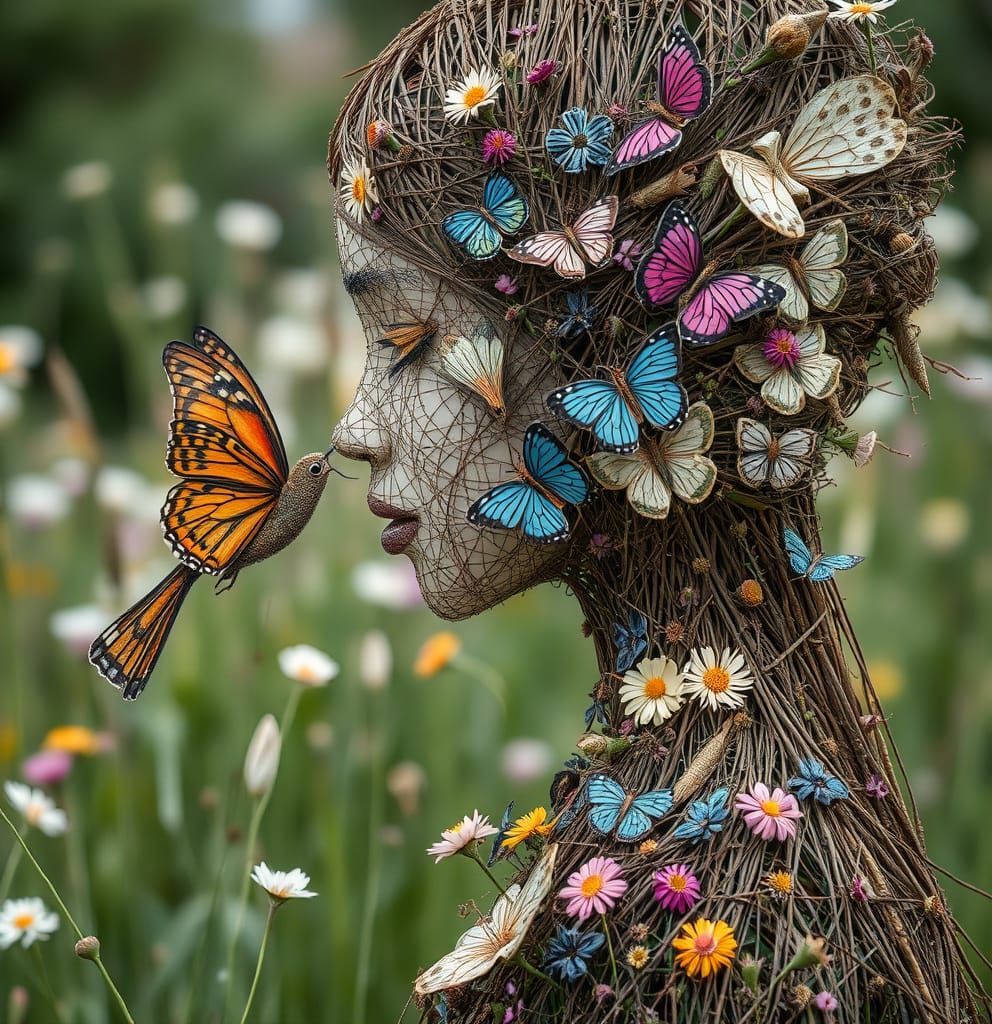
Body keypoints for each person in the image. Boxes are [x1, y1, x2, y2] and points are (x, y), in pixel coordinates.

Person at [328, 0, 987, 1019]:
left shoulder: (706, 924)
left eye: (407, 339)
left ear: (604, 328)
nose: (356, 426)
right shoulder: (709, 849)